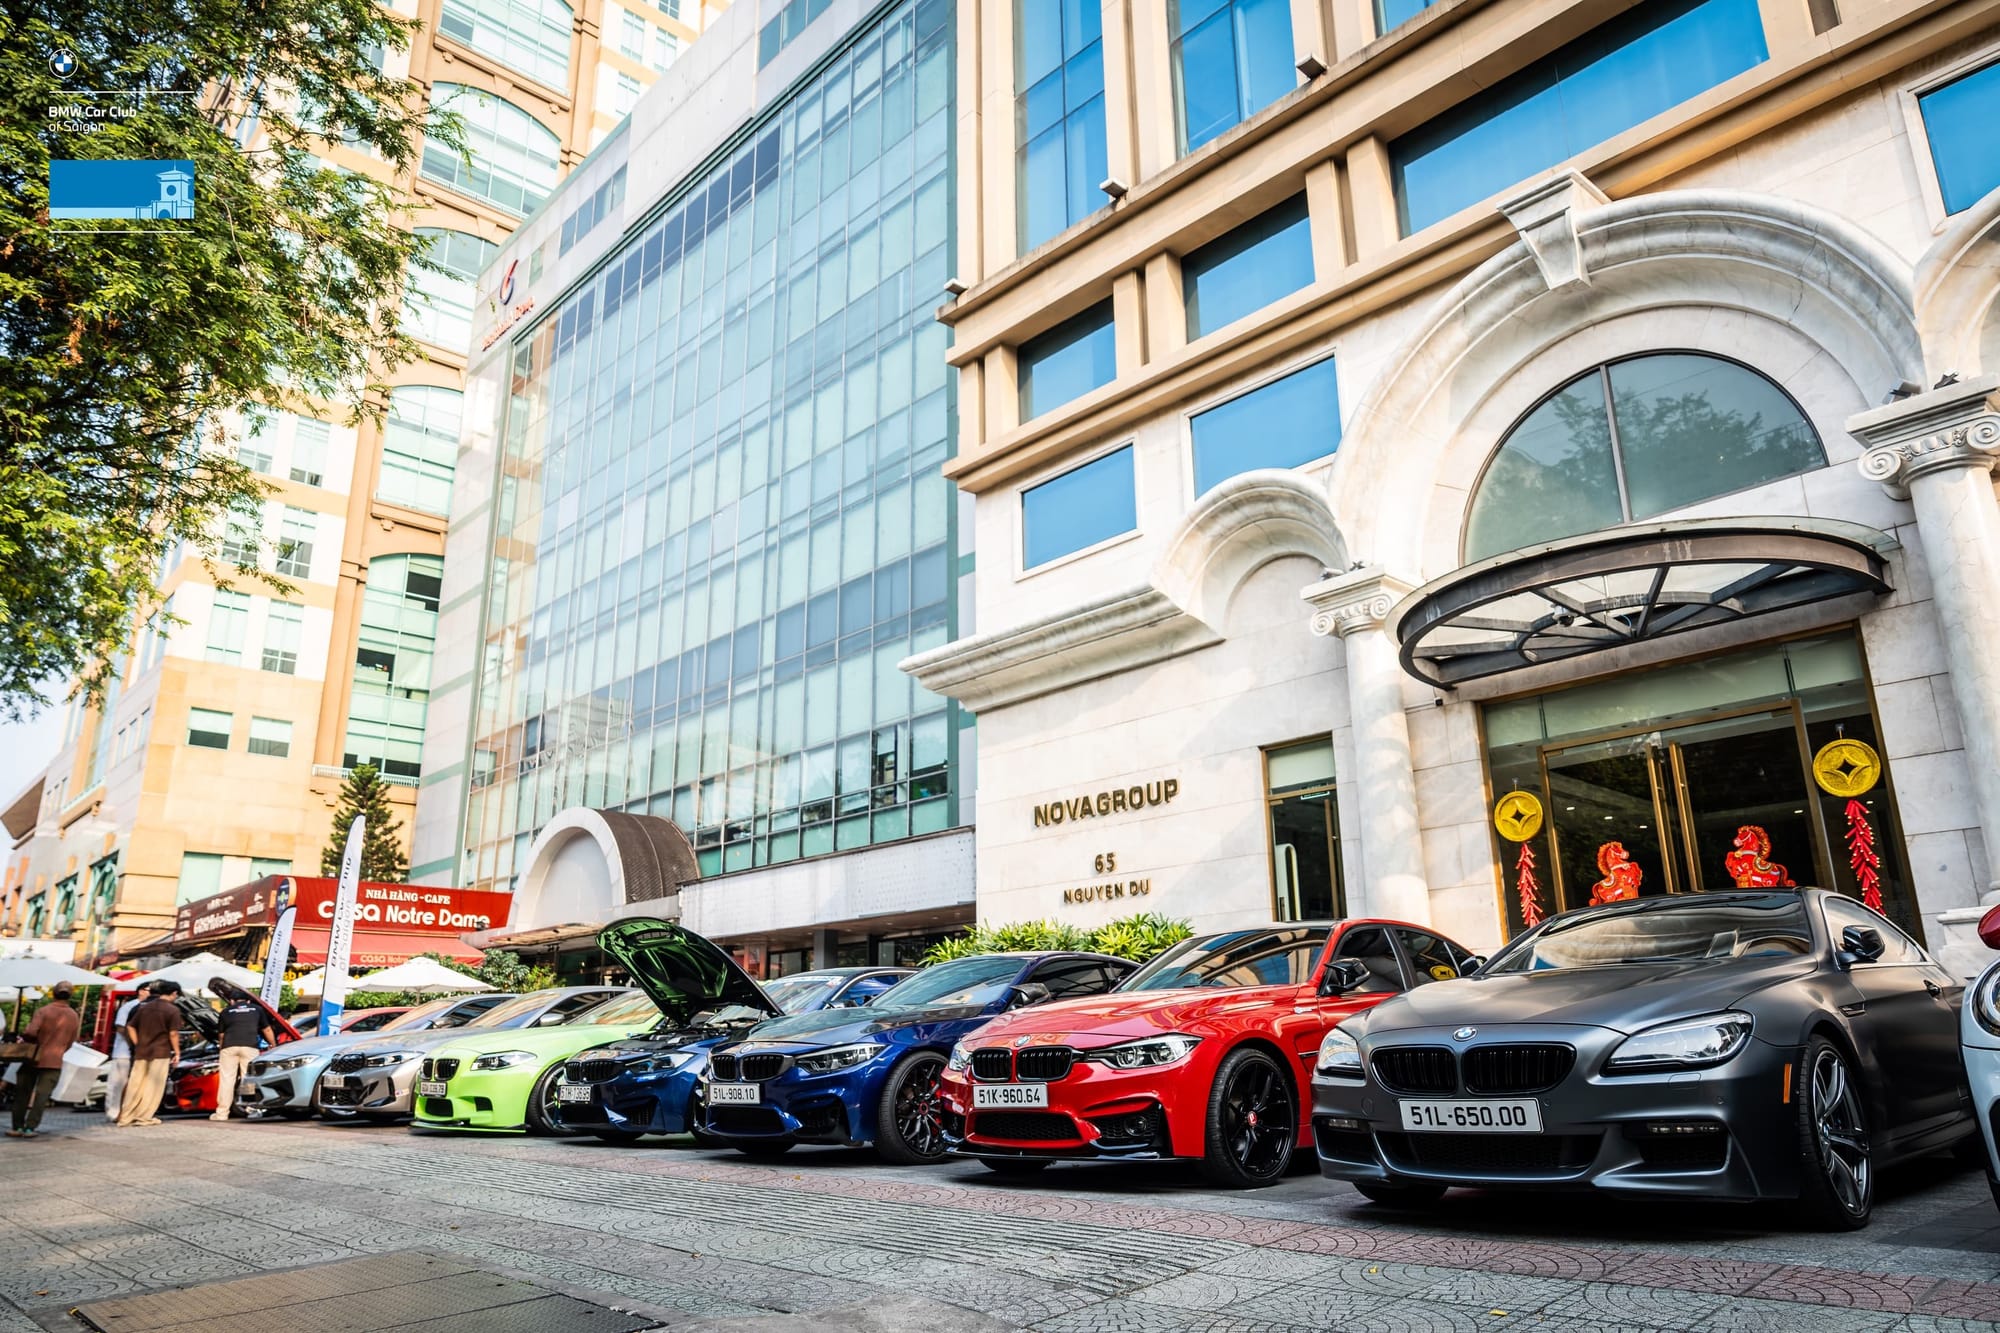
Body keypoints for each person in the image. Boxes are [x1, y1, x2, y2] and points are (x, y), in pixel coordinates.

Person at [8, 982, 82, 1139]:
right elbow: (71, 1041)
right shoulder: (73, 1016)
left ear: (53, 993)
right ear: (70, 995)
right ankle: (30, 1128)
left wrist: (28, 1038)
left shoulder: (43, 1011)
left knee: (22, 1093)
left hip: (33, 1058)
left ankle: (17, 1126)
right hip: (54, 1061)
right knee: (42, 1096)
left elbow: (31, 1032)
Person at [116, 981, 183, 1127]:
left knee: (135, 1084)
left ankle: (126, 1117)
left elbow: (130, 1027)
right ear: (174, 993)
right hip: (160, 1052)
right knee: (153, 1086)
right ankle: (144, 1116)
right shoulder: (172, 1010)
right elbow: (173, 1033)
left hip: (141, 1052)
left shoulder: (144, 1007)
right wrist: (177, 1052)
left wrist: (137, 1043)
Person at [210, 990, 275, 1121]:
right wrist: (273, 1045)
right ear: (248, 1001)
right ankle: (250, 1110)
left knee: (227, 1080)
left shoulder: (226, 1011)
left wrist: (222, 1049)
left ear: (232, 1001)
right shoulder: (257, 1009)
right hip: (250, 1047)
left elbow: (221, 1035)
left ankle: (222, 1113)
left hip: (229, 1047)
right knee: (248, 1079)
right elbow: (267, 1029)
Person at [105, 982, 157, 1123]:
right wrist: (134, 1044)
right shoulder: (129, 1007)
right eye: (148, 990)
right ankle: (113, 1113)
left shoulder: (149, 1007)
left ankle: (129, 1112)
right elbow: (121, 1027)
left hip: (139, 1052)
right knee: (118, 1084)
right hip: (123, 1052)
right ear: (140, 991)